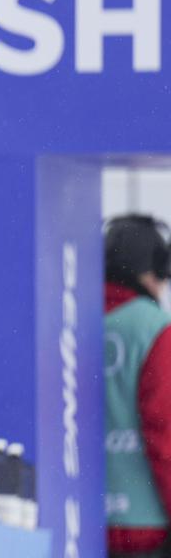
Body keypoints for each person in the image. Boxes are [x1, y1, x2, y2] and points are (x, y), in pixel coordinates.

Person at [104, 215, 171, 557]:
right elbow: (164, 435)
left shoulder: (68, 317)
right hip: (146, 528)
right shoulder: (154, 327)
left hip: (79, 520)